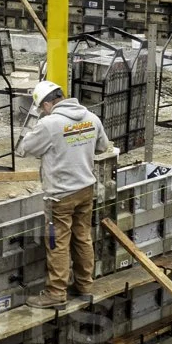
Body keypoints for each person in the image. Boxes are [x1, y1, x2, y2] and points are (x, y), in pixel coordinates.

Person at [15, 79, 114, 308]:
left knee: (57, 242)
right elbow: (102, 147)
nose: (41, 111)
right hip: (85, 190)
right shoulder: (91, 117)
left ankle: (56, 294)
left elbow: (25, 149)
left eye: (41, 108)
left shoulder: (50, 124)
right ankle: (85, 286)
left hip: (60, 196)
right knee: (82, 237)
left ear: (48, 104)